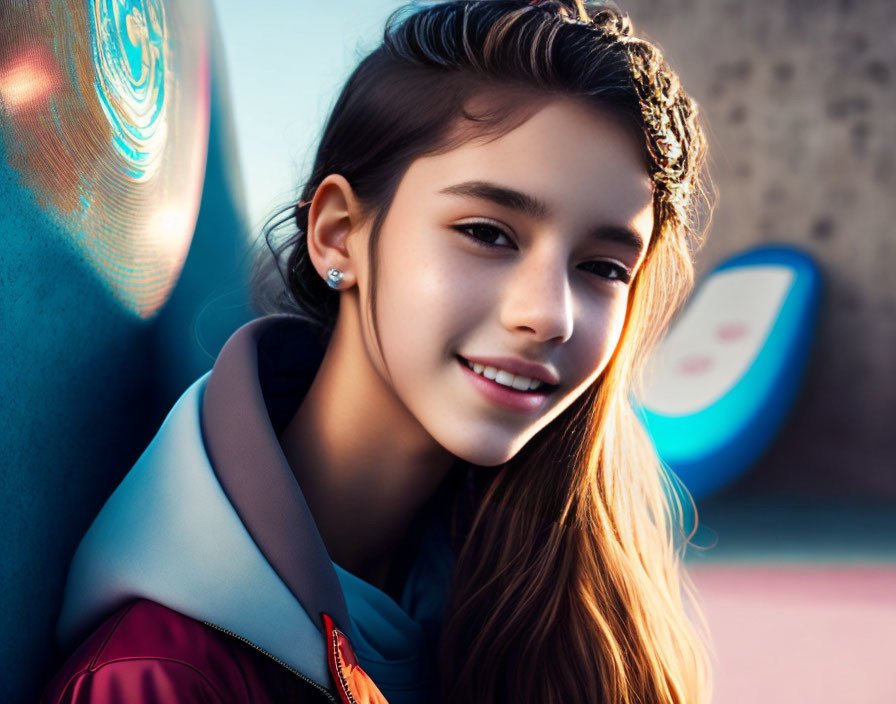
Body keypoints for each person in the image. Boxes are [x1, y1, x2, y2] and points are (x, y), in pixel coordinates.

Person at [42, 1, 713, 702]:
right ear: (338, 234)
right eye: (488, 233)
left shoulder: (561, 606)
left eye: (604, 268)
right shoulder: (161, 678)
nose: (549, 315)